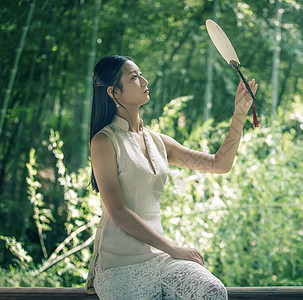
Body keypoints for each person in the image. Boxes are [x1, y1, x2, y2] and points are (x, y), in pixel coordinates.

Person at [85, 55, 258, 299]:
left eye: (141, 74)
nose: (145, 81)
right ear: (114, 93)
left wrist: (239, 113)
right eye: (134, 77)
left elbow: (220, 164)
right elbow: (119, 212)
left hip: (161, 259)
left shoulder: (158, 141)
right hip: (119, 265)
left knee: (212, 291)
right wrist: (174, 248)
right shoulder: (104, 141)